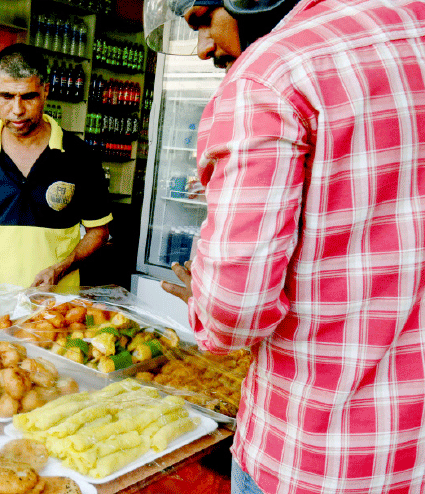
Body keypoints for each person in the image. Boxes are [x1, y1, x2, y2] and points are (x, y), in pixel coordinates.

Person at [144, 0, 425, 493]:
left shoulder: (272, 72)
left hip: (311, 456)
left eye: (204, 19)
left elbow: (236, 306)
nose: (204, 47)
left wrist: (204, 302)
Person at [0, 44, 112, 289]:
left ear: (45, 91)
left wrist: (60, 268)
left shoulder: (78, 154)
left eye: (29, 96)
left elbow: (99, 230)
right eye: (7, 96)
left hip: (55, 309)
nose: (17, 110)